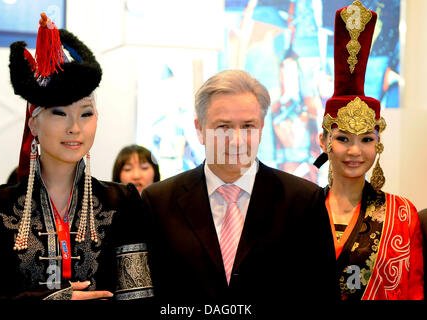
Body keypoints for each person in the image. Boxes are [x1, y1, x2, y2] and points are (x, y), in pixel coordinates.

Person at [0, 14, 153, 301]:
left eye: (86, 113)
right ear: (33, 123)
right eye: (59, 113)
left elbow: (139, 298)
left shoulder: (122, 202)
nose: (75, 127)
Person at [141, 69, 338, 310]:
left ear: (262, 127)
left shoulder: (304, 200)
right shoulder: (159, 202)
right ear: (199, 129)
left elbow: (321, 294)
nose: (237, 140)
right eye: (223, 127)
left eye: (248, 126)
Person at [314, 1, 423, 300]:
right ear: (323, 141)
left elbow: (414, 292)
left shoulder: (402, 214)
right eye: (343, 138)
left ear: (378, 142)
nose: (355, 151)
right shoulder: (301, 211)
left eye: (366, 139)